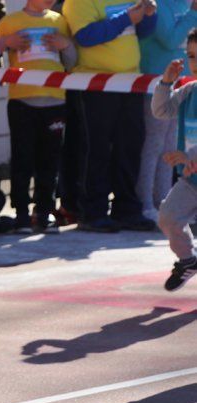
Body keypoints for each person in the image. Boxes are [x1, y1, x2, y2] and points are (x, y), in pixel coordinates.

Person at [63, 0, 158, 232]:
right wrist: (127, 18)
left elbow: (143, 33)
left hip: (130, 81)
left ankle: (127, 209)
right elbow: (86, 36)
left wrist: (149, 15)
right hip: (95, 83)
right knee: (96, 149)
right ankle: (92, 212)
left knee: (130, 146)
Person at [0, 0, 75, 233]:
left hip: (55, 100)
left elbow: (72, 61)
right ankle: (21, 213)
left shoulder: (59, 21)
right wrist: (6, 42)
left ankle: (45, 211)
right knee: (22, 158)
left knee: (50, 160)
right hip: (22, 100)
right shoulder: (10, 22)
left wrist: (65, 44)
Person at [137, 0, 197, 222]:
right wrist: (193, 14)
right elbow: (170, 40)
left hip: (183, 84)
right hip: (157, 84)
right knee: (154, 144)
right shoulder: (159, 4)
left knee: (171, 145)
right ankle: (145, 204)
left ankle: (163, 200)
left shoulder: (185, 5)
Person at [152, 43, 197, 291]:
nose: (195, 61)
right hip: (191, 180)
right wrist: (165, 83)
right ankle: (189, 260)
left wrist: (189, 155)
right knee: (168, 217)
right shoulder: (189, 91)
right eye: (192, 56)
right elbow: (161, 111)